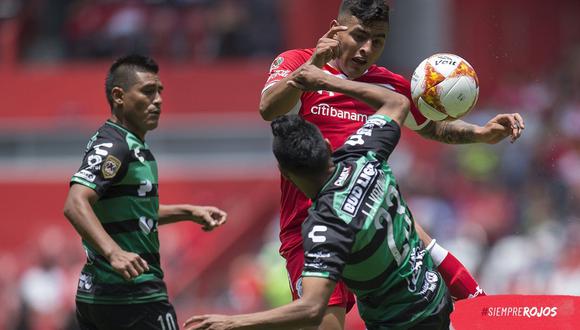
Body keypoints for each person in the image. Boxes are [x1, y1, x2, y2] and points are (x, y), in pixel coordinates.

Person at [259, 1, 523, 328]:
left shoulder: (389, 85)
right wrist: (309, 72)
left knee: (418, 300)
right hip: (310, 227)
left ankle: (488, 313)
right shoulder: (300, 63)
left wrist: (481, 134)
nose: (367, 49)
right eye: (358, 36)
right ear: (336, 28)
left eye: (378, 40)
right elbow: (269, 108)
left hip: (373, 220)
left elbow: (432, 127)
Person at [184, 63, 454, 330]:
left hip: (401, 323)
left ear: (285, 174)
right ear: (326, 145)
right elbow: (396, 102)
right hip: (436, 300)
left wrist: (232, 322)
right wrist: (327, 81)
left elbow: (312, 308)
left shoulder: (326, 225)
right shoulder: (363, 153)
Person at [63, 54, 228, 330]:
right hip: (133, 294)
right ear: (119, 96)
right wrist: (114, 253)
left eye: (160, 91)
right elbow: (75, 202)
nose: (159, 100)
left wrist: (189, 211)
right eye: (148, 91)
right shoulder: (116, 146)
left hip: (101, 294)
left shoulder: (131, 145)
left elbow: (133, 212)